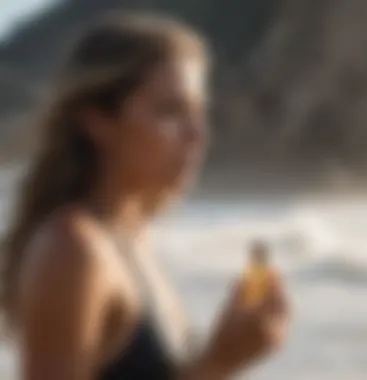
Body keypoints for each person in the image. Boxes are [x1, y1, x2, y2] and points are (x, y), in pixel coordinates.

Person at [1, 12, 289, 380]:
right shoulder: (73, 249)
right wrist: (218, 363)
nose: (197, 135)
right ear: (97, 122)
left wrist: (231, 348)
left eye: (200, 113)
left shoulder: (131, 240)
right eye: (171, 111)